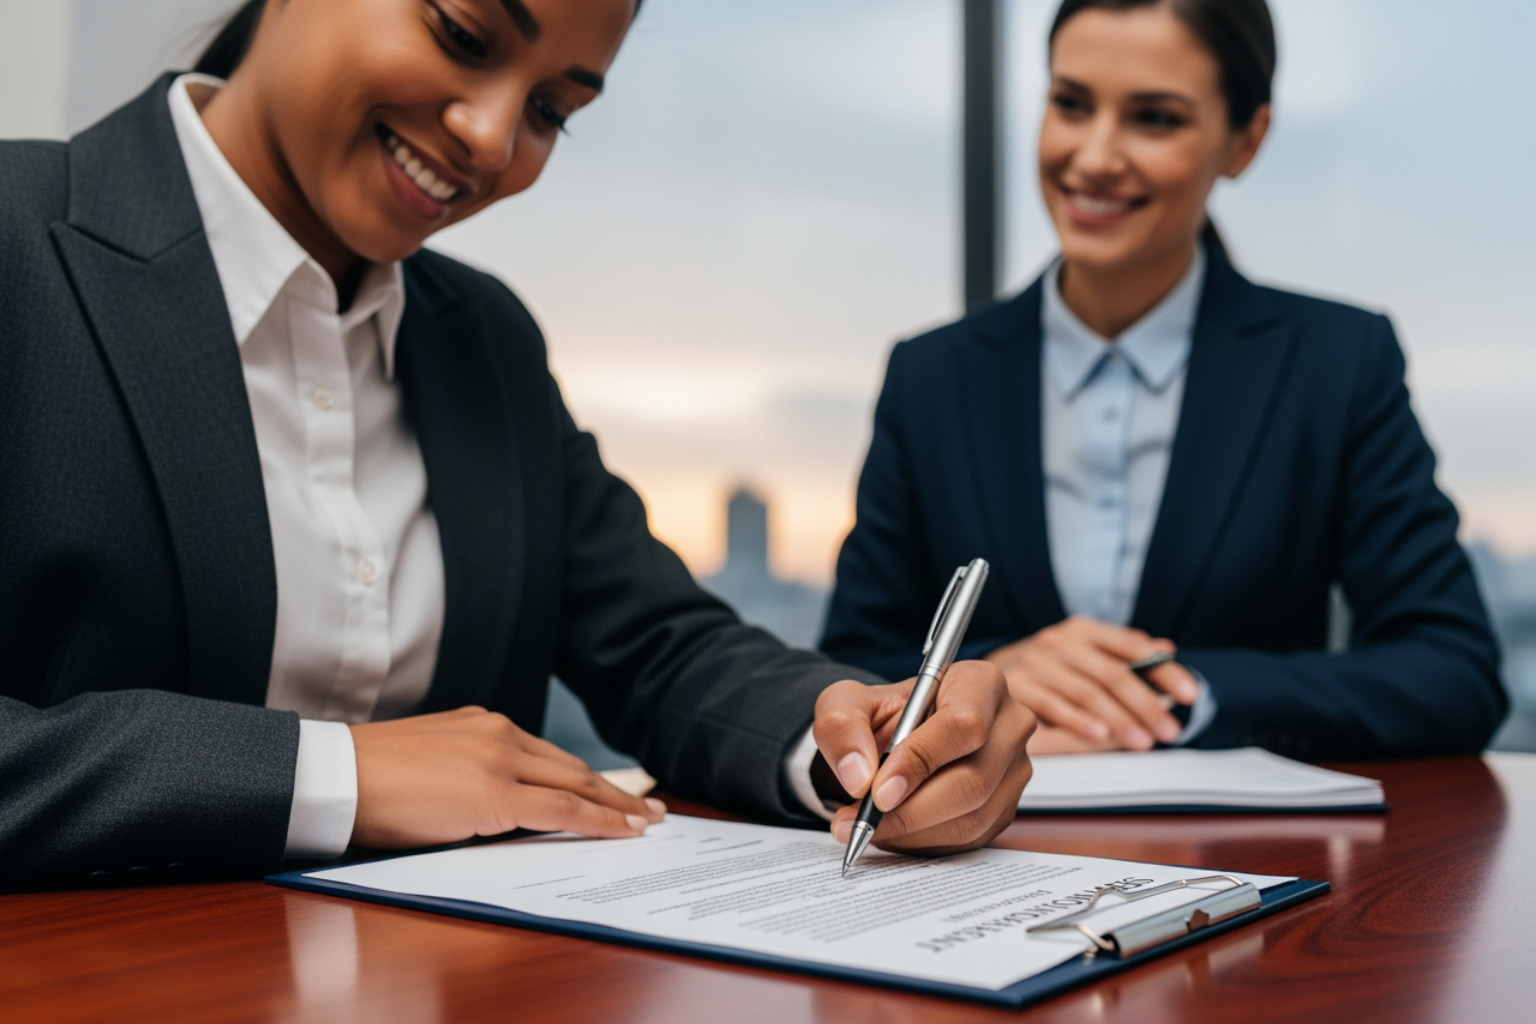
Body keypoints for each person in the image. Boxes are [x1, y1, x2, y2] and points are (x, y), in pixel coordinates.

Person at [0, 0, 1036, 891]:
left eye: (552, 111)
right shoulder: (19, 245)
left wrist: (852, 741)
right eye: (462, 32)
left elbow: (659, 642)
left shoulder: (485, 339)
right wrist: (345, 776)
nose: (494, 142)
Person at [821, 0, 1504, 760]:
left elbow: (1454, 671)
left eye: (1154, 118)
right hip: (978, 860)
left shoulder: (1337, 362)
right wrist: (978, 683)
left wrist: (1180, 690)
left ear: (1245, 140)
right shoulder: (931, 375)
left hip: (1252, 860)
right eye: (1071, 104)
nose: (1095, 156)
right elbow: (849, 662)